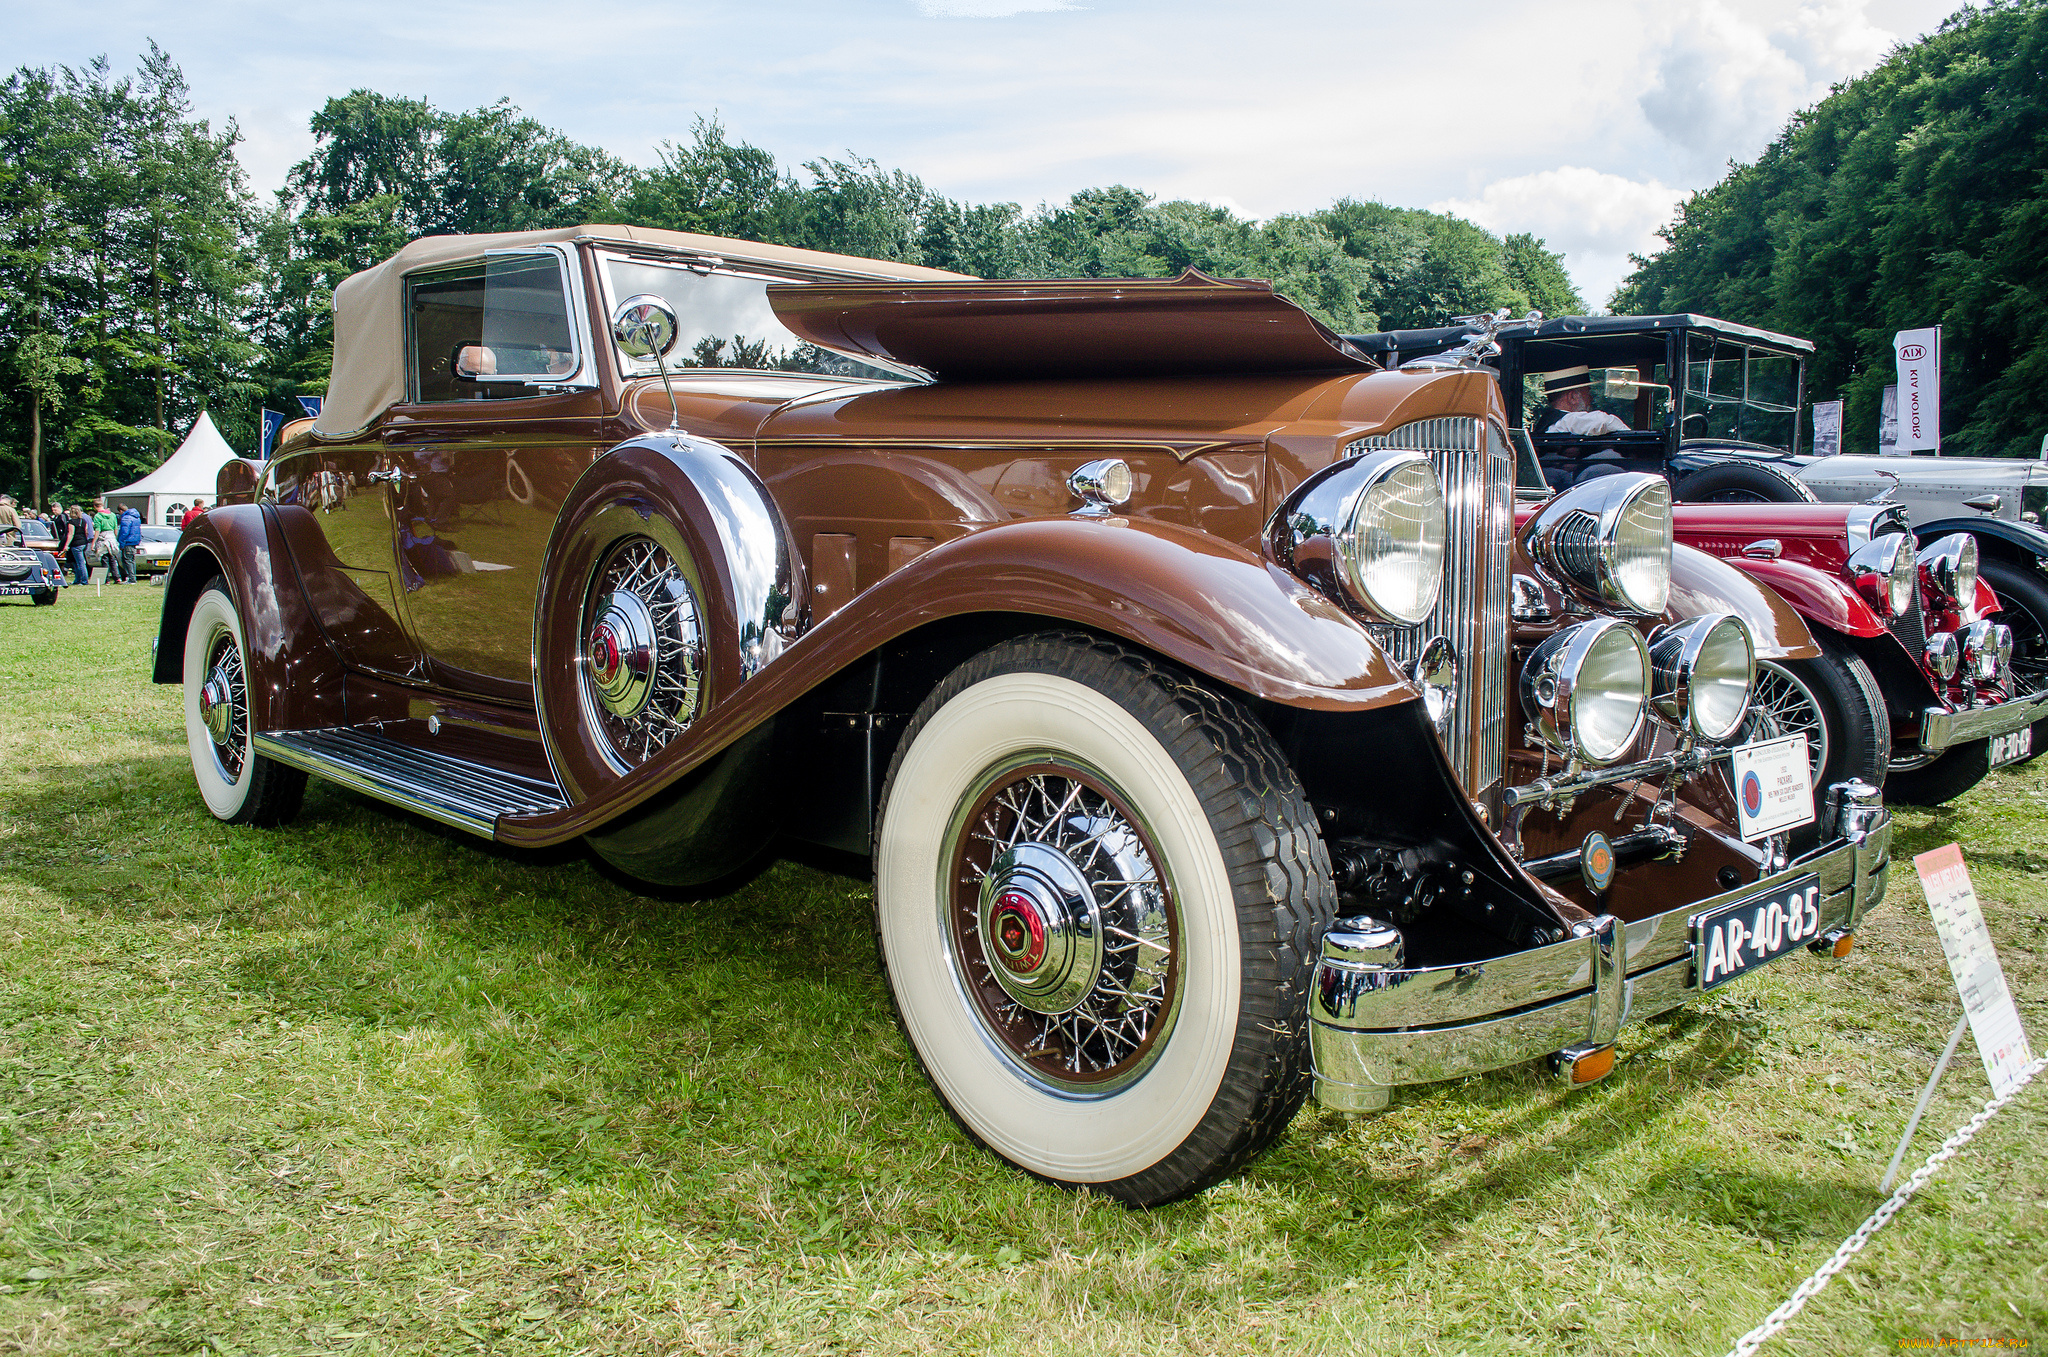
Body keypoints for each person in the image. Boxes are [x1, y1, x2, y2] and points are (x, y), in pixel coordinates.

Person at [1532, 367, 1631, 437]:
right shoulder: (1567, 421)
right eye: (1587, 392)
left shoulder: (1550, 421)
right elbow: (1604, 421)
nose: (1591, 398)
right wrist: (1631, 436)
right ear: (1572, 397)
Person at [116, 503, 142, 584]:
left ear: (121, 510)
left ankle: (131, 578)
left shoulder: (126, 518)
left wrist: (121, 543)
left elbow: (124, 532)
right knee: (131, 560)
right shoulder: (136, 517)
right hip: (134, 541)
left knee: (127, 560)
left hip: (128, 541)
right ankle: (132, 577)